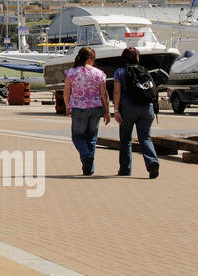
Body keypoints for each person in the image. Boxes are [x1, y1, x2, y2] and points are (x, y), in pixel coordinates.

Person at [112, 47, 169, 178]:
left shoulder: (119, 72)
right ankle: (152, 162)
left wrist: (116, 110)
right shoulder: (144, 70)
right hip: (147, 108)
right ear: (137, 57)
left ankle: (125, 169)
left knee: (125, 139)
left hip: (128, 109)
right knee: (145, 138)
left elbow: (116, 92)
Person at [63, 47, 110, 176]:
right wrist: (107, 112)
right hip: (96, 108)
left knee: (77, 137)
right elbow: (104, 94)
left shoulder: (72, 73)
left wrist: (67, 107)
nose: (94, 60)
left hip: (78, 108)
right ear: (89, 58)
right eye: (93, 58)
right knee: (92, 138)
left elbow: (66, 93)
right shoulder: (99, 73)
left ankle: (86, 157)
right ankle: (89, 167)